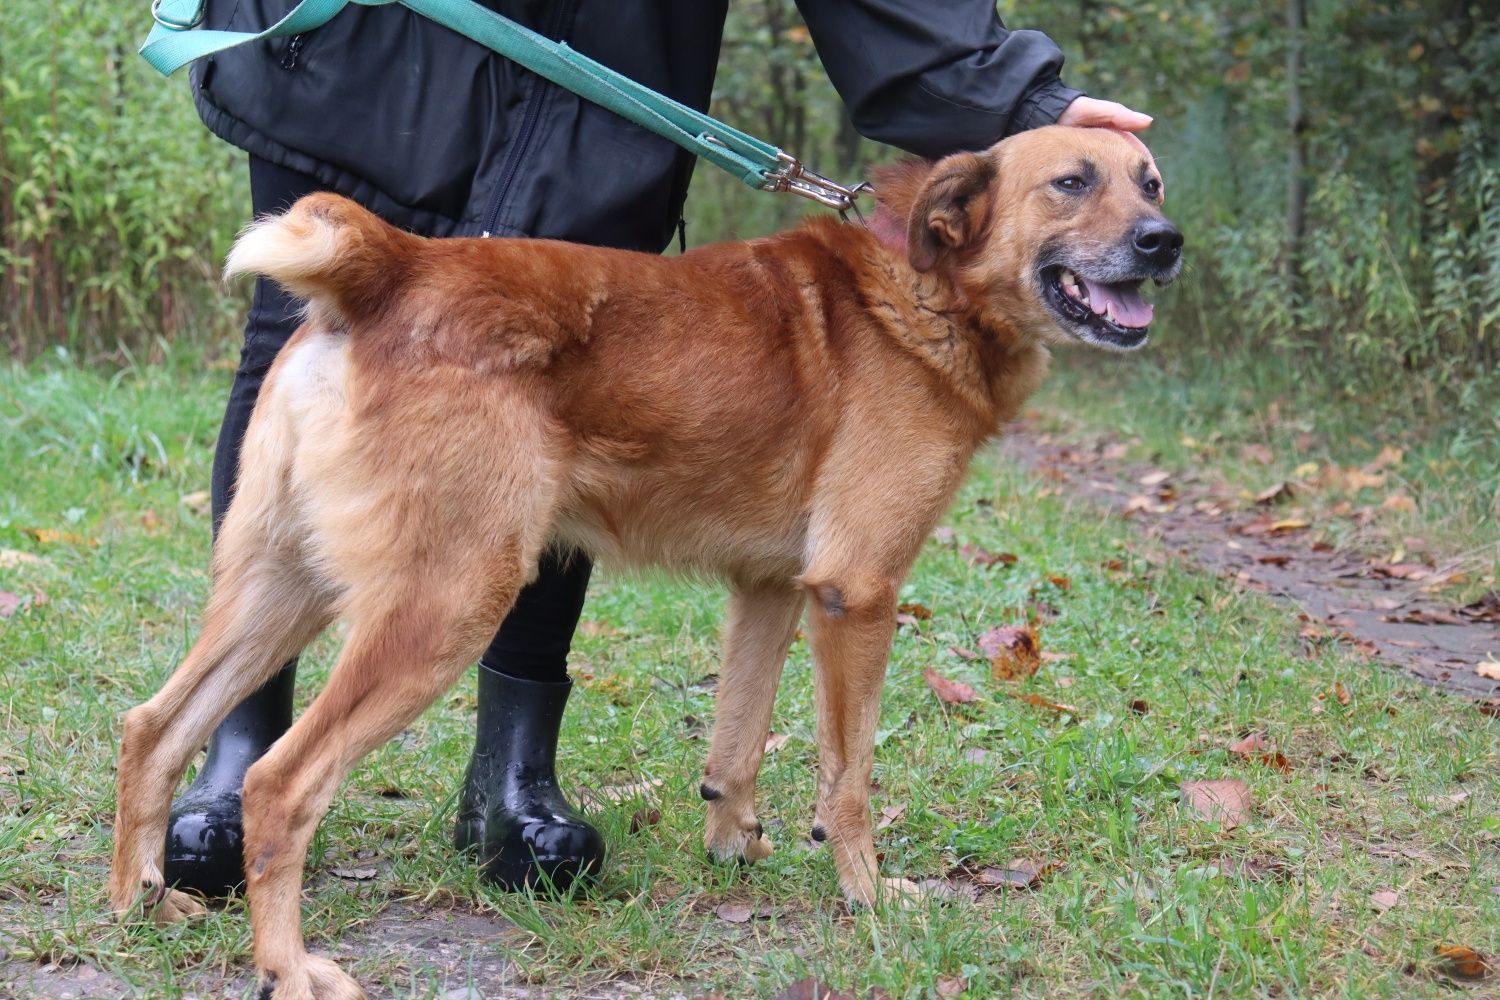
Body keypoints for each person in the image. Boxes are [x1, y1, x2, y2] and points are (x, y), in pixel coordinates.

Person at [163, 0, 1155, 898]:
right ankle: (243, 743)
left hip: (599, 68)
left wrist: (1023, 93)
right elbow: (856, 588)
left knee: (556, 385)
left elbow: (808, 571)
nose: (1146, 219)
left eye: (1147, 195)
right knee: (314, 324)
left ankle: (514, 773)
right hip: (362, 44)